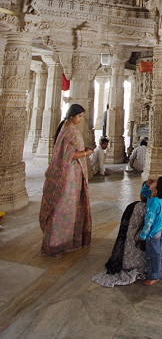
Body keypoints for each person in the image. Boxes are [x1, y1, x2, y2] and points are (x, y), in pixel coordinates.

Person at [92, 180, 162, 288]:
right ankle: (155, 275)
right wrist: (143, 236)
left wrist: (141, 236)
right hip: (153, 235)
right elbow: (151, 224)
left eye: (153, 183)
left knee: (152, 251)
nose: (149, 187)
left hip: (132, 251)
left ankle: (154, 272)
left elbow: (144, 223)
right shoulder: (156, 203)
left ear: (154, 191)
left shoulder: (133, 206)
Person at [39, 104, 92, 256]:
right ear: (72, 116)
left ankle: (67, 240)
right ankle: (57, 242)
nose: (81, 119)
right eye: (80, 116)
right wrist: (86, 153)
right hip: (68, 175)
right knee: (64, 206)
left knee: (69, 206)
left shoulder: (64, 128)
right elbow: (69, 155)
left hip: (71, 173)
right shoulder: (69, 131)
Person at [138, 176, 162, 286]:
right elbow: (144, 193)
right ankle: (153, 272)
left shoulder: (153, 203)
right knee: (154, 253)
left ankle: (154, 276)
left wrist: (143, 235)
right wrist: (146, 185)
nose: (153, 181)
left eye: (155, 182)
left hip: (153, 233)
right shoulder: (153, 196)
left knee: (154, 255)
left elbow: (149, 222)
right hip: (158, 229)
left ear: (156, 190)